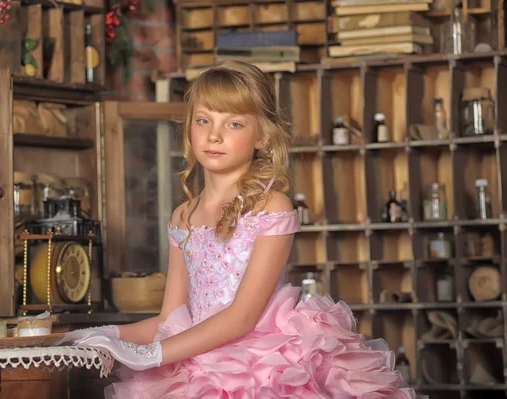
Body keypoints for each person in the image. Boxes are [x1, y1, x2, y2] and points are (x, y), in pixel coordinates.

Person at [60, 61, 417, 398]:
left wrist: (151, 355)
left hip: (262, 365)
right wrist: (107, 333)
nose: (214, 136)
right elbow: (170, 318)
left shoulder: (271, 206)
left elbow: (242, 316)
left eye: (233, 124)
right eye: (203, 121)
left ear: (262, 136)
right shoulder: (183, 215)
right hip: (193, 358)